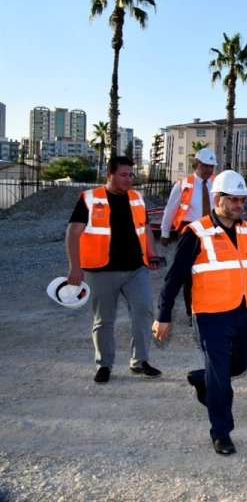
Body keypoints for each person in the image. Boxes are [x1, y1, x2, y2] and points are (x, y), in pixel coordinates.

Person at [153, 170, 247, 456]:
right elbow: (174, 277)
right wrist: (163, 314)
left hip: (242, 311)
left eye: (243, 200)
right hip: (209, 315)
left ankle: (200, 377)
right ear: (217, 199)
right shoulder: (196, 232)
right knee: (221, 380)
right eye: (234, 200)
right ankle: (221, 433)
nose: (240, 205)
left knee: (239, 365)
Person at [65, 155, 164, 383]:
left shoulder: (137, 198)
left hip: (135, 269)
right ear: (109, 175)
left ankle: (139, 362)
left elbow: (145, 228)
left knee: (144, 311)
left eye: (131, 175)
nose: (128, 179)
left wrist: (151, 254)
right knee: (104, 320)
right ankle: (104, 365)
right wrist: (75, 267)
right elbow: (72, 233)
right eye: (123, 175)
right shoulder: (90, 199)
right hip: (100, 271)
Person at [159, 147, 216, 323]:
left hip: (212, 234)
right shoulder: (182, 185)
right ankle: (192, 312)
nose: (208, 170)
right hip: (189, 235)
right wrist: (165, 231)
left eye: (211, 167)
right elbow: (170, 210)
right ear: (196, 164)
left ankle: (208, 308)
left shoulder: (215, 184)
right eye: (205, 166)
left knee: (210, 273)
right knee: (187, 275)